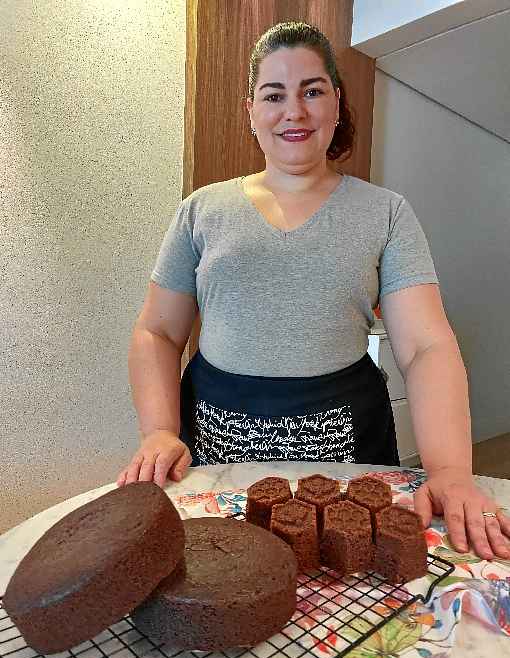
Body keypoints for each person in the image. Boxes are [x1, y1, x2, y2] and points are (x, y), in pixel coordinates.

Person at [117, 21, 510, 560]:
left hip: (347, 440)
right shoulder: (201, 211)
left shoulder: (386, 212)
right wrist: (158, 430)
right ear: (251, 110)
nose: (294, 111)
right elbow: (157, 331)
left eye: (312, 91)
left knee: (340, 578)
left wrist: (450, 471)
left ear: (336, 103)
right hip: (212, 439)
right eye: (274, 95)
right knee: (223, 576)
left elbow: (426, 346)